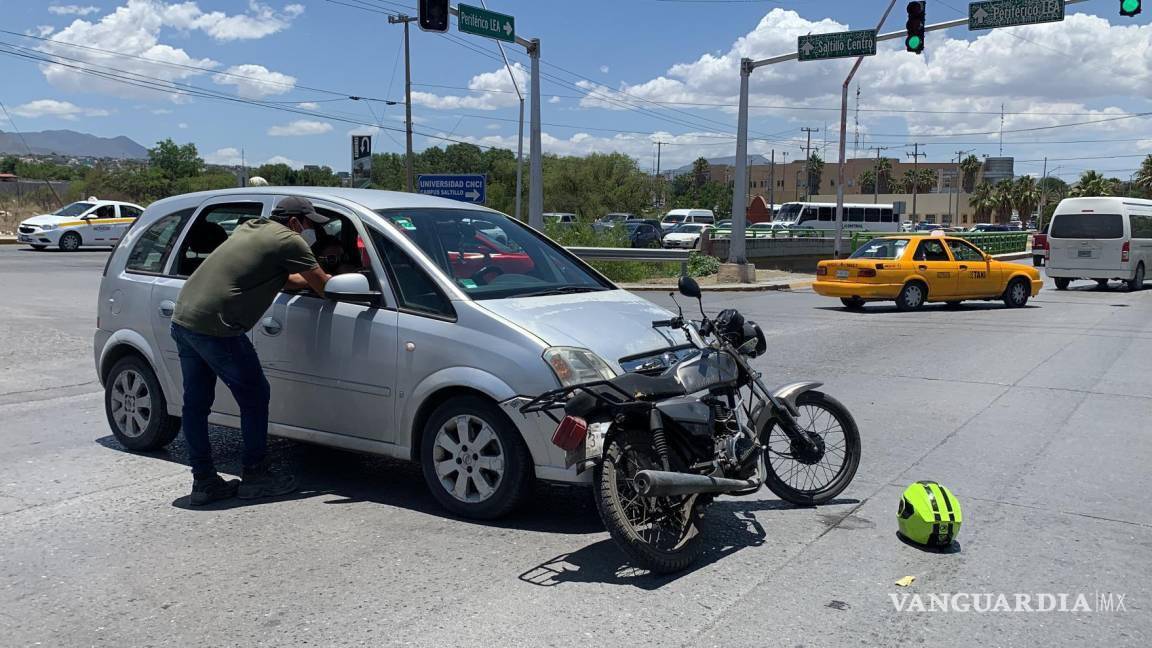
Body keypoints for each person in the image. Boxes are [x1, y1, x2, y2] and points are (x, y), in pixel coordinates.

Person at [170, 196, 332, 505]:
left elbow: (282, 277)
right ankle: (256, 475)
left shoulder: (251, 228)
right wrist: (343, 276)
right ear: (296, 222)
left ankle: (204, 482)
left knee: (196, 404)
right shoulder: (290, 240)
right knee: (255, 396)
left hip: (185, 319)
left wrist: (310, 279)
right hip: (219, 327)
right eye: (311, 225)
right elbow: (323, 286)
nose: (312, 231)